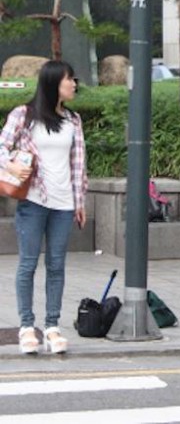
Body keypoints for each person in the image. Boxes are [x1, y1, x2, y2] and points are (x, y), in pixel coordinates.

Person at [0, 60, 87, 355]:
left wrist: (79, 201)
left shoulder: (73, 120)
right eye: (69, 80)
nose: (74, 84)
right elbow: (1, 146)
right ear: (53, 83)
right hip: (33, 202)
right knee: (27, 264)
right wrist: (9, 162)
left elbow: (78, 164)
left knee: (57, 266)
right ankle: (27, 327)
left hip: (63, 204)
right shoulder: (24, 116)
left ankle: (52, 327)